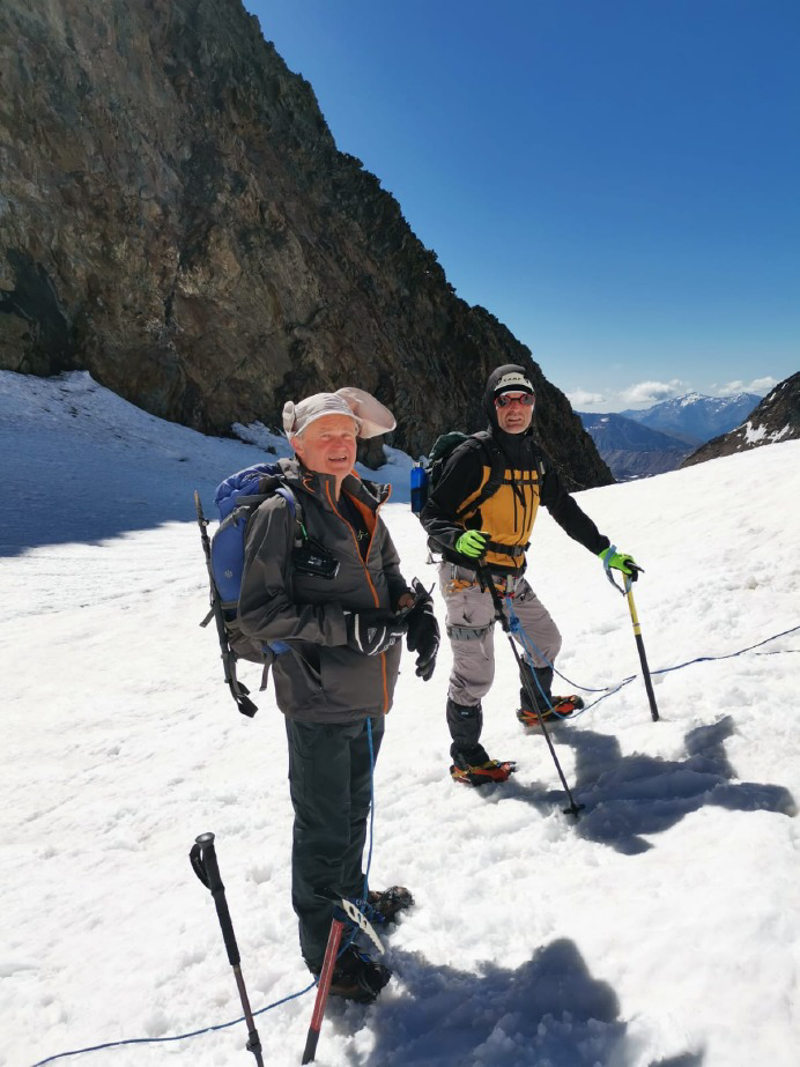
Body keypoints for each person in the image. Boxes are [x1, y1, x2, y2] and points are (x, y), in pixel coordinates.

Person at [238, 387, 439, 1000]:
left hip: (371, 691)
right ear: (296, 443)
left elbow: (387, 577)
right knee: (325, 826)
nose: (340, 444)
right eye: (325, 434)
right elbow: (260, 614)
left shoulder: (361, 499)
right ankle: (326, 956)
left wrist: (416, 612)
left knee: (355, 809)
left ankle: (349, 902)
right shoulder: (283, 513)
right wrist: (349, 629)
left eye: (349, 435)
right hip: (320, 697)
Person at [420, 364, 638, 787]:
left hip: (511, 574)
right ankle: (466, 758)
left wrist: (605, 550)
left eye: (524, 399)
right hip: (468, 576)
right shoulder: (474, 455)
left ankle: (535, 707)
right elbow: (433, 512)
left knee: (546, 641)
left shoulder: (535, 458)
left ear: (533, 405)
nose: (515, 408)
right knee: (475, 675)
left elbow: (564, 509)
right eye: (506, 400)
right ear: (492, 406)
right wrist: (455, 539)